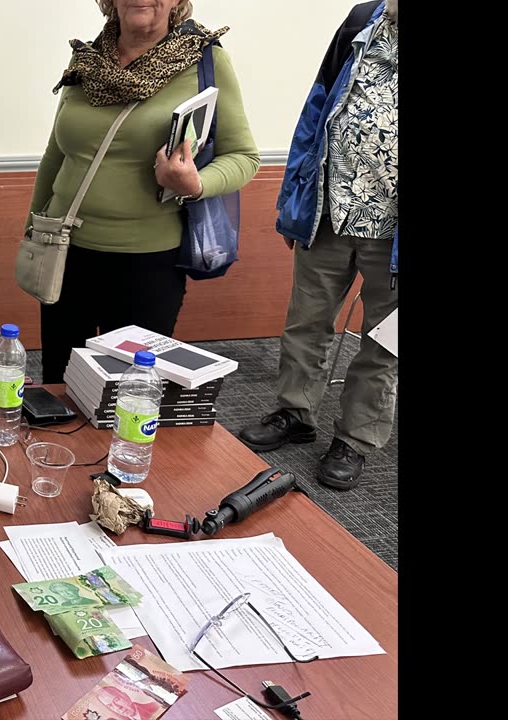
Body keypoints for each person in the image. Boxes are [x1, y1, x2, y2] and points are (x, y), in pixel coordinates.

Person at [31, 0, 260, 385]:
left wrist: (196, 185)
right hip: (65, 251)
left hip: (148, 262)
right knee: (60, 380)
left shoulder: (204, 61)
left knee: (131, 390)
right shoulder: (87, 61)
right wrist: (32, 229)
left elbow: (244, 157)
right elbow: (56, 154)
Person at [238, 0, 398, 491]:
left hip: (392, 236)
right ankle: (294, 413)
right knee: (306, 322)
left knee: (384, 345)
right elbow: (315, 114)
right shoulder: (362, 22)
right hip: (329, 213)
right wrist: (294, 202)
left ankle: (355, 439)